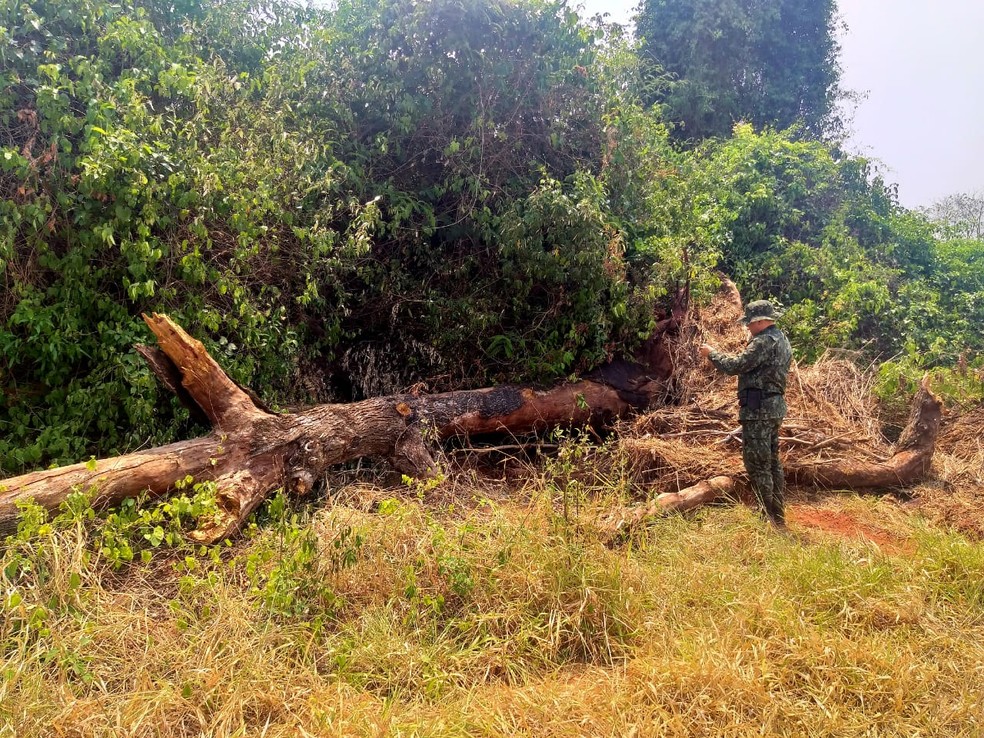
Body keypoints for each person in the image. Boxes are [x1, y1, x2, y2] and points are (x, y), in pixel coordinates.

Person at [699, 300, 792, 527]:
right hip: (773, 408)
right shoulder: (782, 340)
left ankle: (766, 517)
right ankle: (777, 515)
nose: (747, 328)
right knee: (771, 463)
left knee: (757, 464)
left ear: (760, 321)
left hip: (758, 410)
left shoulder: (763, 342)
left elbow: (736, 365)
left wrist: (712, 354)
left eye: (750, 323)